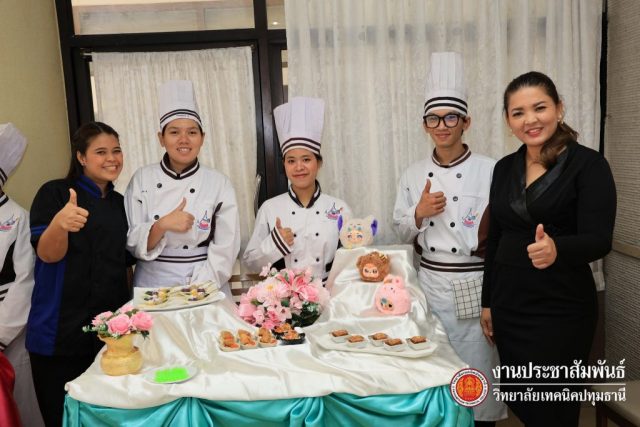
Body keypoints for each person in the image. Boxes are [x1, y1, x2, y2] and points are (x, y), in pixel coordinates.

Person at [480, 71, 616, 425]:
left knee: (553, 409)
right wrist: (487, 301)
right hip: (510, 304)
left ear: (559, 108)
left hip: (561, 307)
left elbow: (600, 239)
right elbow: (495, 239)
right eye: (518, 112)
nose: (530, 119)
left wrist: (558, 249)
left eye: (539, 107)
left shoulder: (588, 165)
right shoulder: (504, 168)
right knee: (523, 401)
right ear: (508, 121)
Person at [393, 52, 506, 425]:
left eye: (451, 117)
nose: (441, 126)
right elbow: (400, 229)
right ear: (425, 124)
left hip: (475, 280)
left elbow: (504, 232)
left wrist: (494, 298)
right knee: (435, 369)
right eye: (433, 118)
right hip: (429, 282)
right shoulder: (413, 174)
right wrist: (419, 212)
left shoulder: (491, 170)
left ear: (466, 122)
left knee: (477, 368)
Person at [26, 122, 131, 427]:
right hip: (59, 333)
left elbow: (125, 264)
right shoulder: (55, 193)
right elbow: (47, 254)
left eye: (116, 151)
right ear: (81, 157)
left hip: (108, 336)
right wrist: (60, 224)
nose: (111, 159)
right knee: (62, 418)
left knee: (109, 417)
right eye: (101, 152)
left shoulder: (120, 203)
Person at [125, 80, 240, 295]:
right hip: (152, 284)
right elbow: (133, 241)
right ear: (161, 138)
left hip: (206, 279)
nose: (184, 140)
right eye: (174, 132)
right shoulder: (142, 179)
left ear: (202, 138)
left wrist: (199, 287)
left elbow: (227, 247)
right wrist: (162, 225)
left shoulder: (219, 183)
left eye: (192, 132)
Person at [243, 97, 352, 285]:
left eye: (306, 159)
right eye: (291, 161)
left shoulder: (339, 208)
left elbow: (351, 261)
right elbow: (251, 265)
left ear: (319, 163)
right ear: (284, 165)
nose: (299, 167)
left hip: (329, 294)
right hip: (283, 297)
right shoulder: (269, 208)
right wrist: (275, 244)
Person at [0, 123, 43, 426]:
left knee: (18, 407)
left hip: (9, 333)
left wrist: (1, 335)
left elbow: (25, 281)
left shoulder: (18, 217)